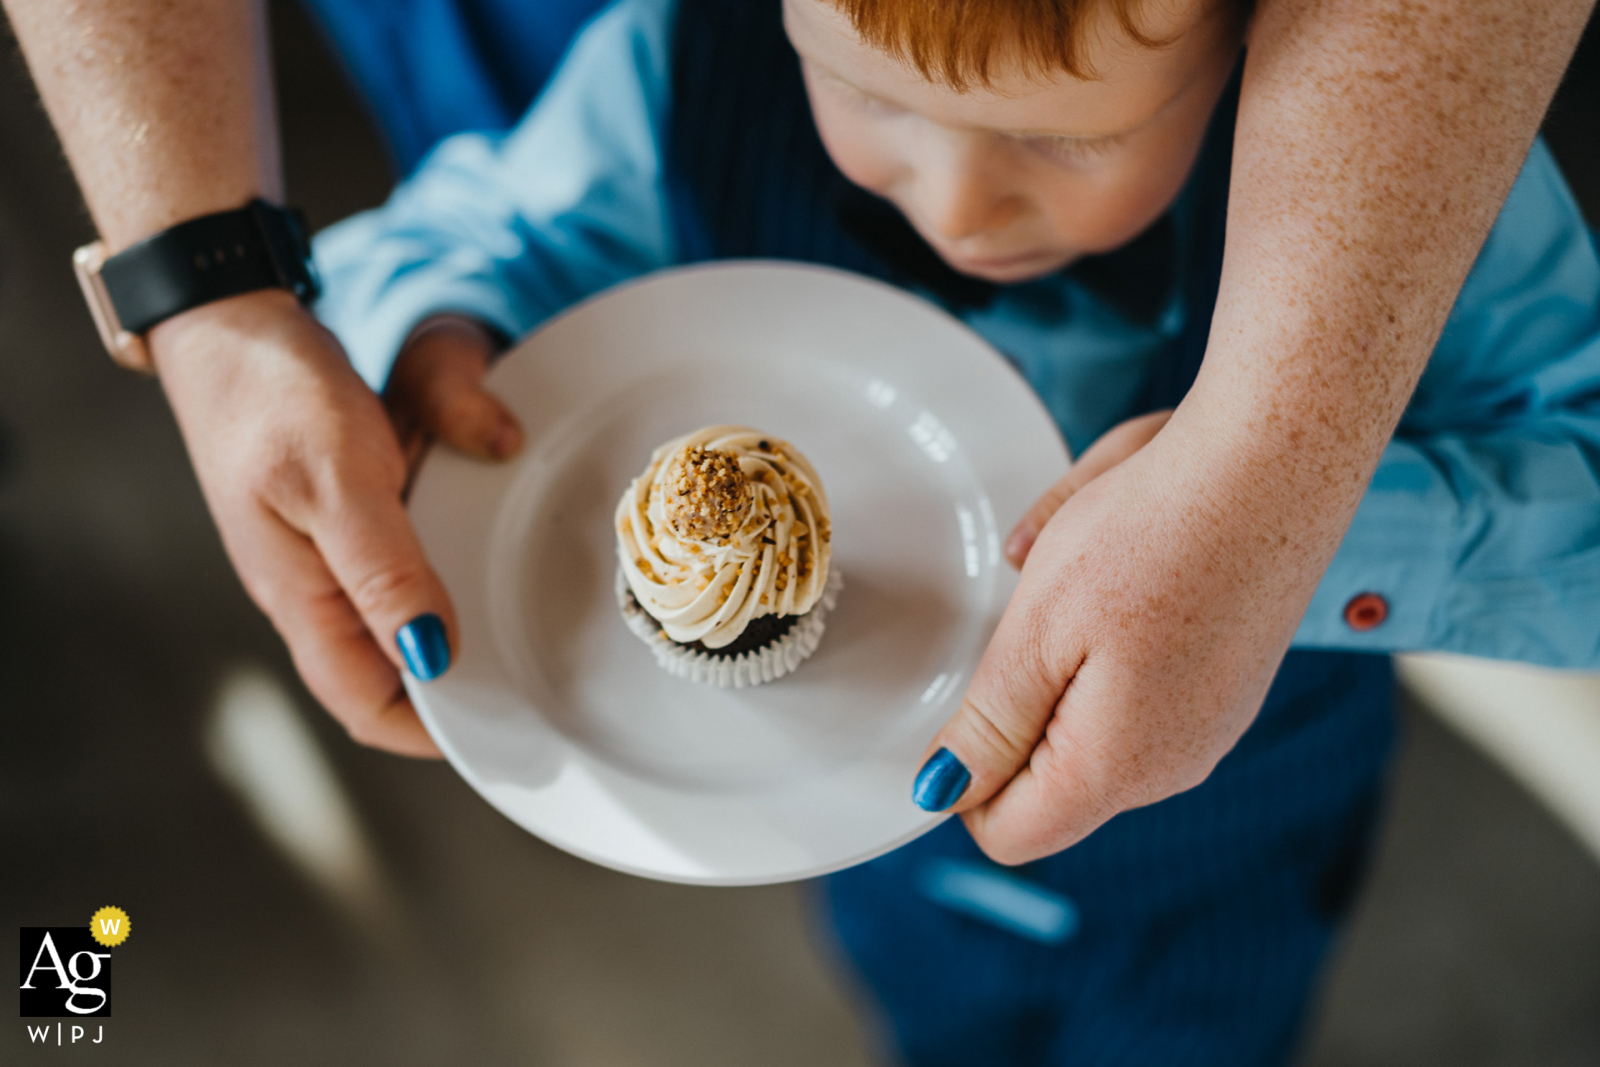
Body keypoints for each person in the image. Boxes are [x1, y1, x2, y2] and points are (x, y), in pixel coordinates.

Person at [309, 0, 1600, 1062]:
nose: (963, 204)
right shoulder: (679, 64)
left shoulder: (1408, 188)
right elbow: (448, 232)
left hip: (1224, 855)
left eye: (1064, 141)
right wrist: (437, 329)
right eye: (870, 98)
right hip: (874, 846)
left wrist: (1298, 528)